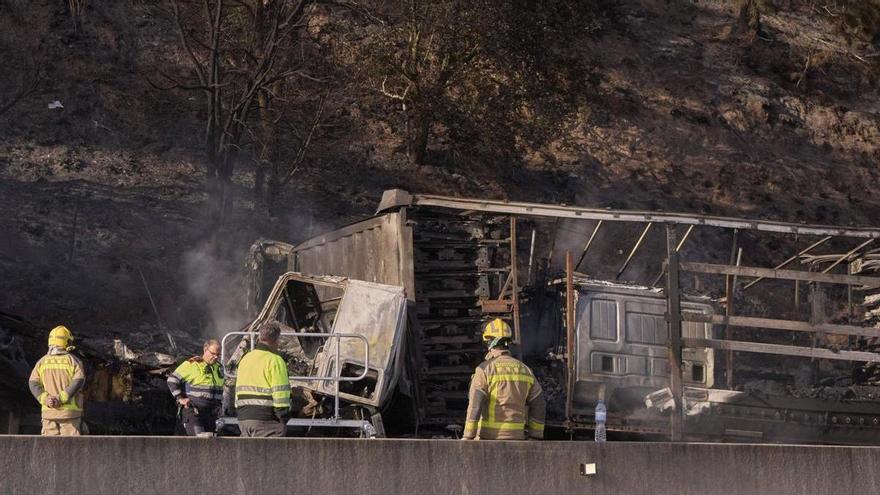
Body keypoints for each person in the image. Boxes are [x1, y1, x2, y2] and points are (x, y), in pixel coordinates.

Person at [462, 318, 545, 441]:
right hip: (517, 439)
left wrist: (468, 437)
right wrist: (535, 436)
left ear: (489, 343)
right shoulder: (525, 370)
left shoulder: (484, 370)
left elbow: (475, 405)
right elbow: (539, 404)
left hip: (488, 439)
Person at [234, 321, 290, 437]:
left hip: (243, 418)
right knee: (270, 454)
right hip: (265, 419)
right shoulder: (275, 360)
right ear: (276, 340)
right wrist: (283, 417)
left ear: (259, 337)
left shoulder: (245, 358)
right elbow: (280, 394)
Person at [28, 325, 86, 436]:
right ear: (66, 342)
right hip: (70, 415)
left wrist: (46, 399)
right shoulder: (74, 361)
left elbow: (33, 383)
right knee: (71, 449)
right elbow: (78, 381)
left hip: (48, 413)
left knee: (48, 449)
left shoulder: (41, 362)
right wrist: (60, 399)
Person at [167, 339, 224, 436]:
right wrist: (180, 398)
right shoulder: (192, 364)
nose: (215, 357)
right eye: (213, 353)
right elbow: (172, 379)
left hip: (211, 414)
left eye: (218, 355)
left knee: (211, 444)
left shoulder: (218, 368)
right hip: (194, 411)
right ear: (205, 350)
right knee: (198, 441)